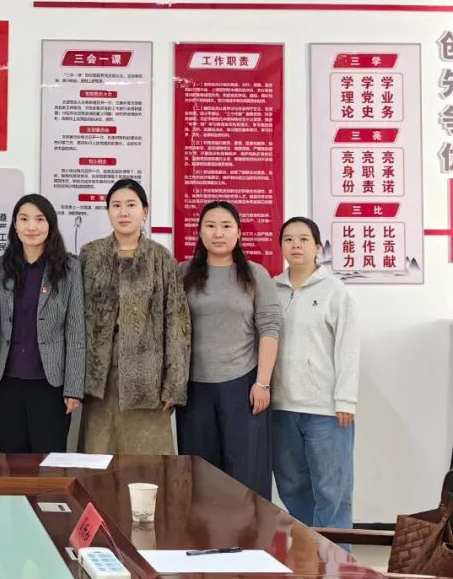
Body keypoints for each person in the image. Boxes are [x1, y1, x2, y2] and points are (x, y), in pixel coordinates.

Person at [176, 200, 281, 499]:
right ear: (200, 232)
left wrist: (263, 382)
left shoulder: (255, 274)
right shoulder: (183, 273)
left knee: (246, 475)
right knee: (200, 476)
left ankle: (249, 530)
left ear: (239, 232)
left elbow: (270, 328)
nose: (218, 233)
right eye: (210, 226)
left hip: (243, 385)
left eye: (226, 226)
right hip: (194, 388)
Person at [78, 178, 190, 455]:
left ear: (145, 211)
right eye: (116, 205)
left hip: (147, 378)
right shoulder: (90, 255)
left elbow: (176, 322)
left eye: (131, 205)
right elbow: (75, 318)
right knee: (99, 457)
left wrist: (174, 385)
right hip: (99, 377)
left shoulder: (161, 258)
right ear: (108, 211)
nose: (123, 212)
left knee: (146, 465)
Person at [271, 217, 360, 530]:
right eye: (289, 239)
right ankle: (310, 550)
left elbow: (348, 347)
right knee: (291, 486)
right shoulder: (271, 289)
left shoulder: (335, 291)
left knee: (331, 490)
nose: (296, 245)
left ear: (317, 248)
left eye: (304, 239)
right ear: (281, 247)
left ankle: (336, 556)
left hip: (326, 410)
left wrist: (345, 400)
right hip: (281, 407)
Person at [0, 194, 84, 453]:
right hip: (6, 382)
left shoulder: (70, 269)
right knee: (13, 462)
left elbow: (76, 332)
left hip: (50, 384)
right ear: (15, 225)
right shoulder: (0, 267)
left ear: (50, 225)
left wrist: (74, 388)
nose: (31, 227)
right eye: (24, 219)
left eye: (40, 219)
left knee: (49, 463)